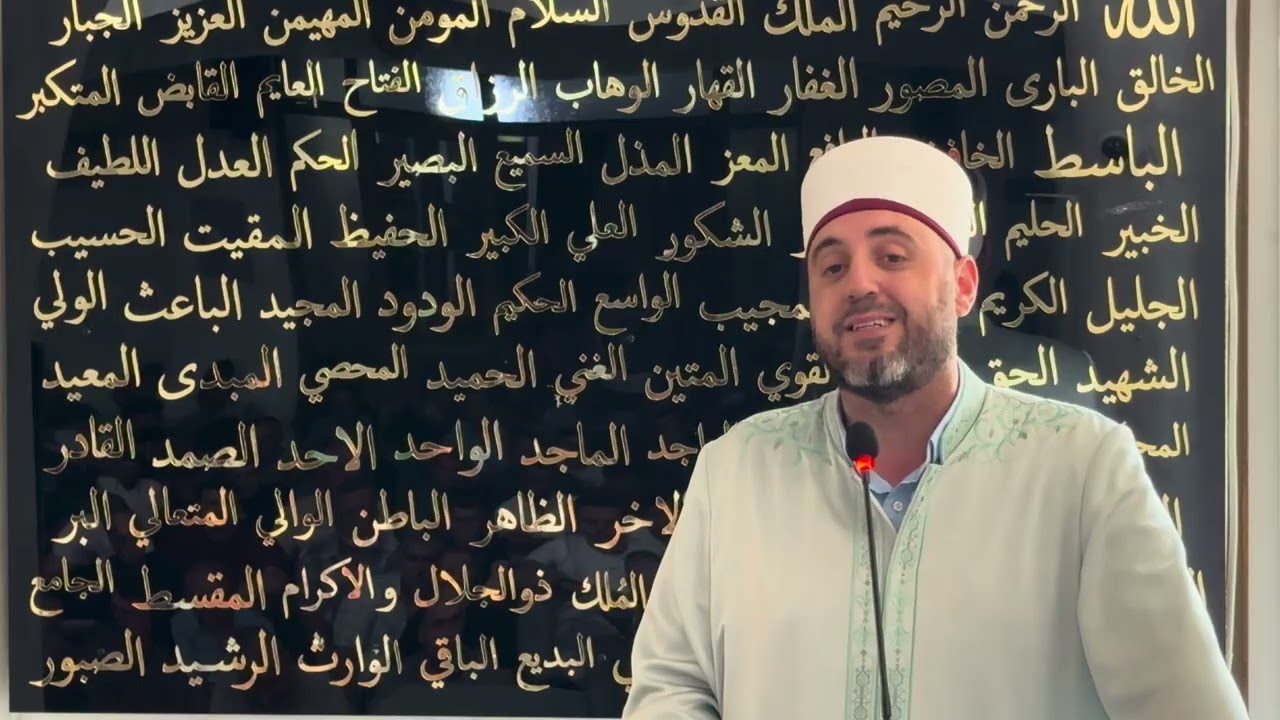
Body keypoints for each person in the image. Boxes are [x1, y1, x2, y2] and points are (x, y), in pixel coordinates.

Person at [621, 136, 1247, 720]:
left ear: (963, 286)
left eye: (892, 256)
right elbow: (671, 686)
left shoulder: (1081, 467)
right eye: (831, 267)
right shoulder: (737, 470)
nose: (859, 283)